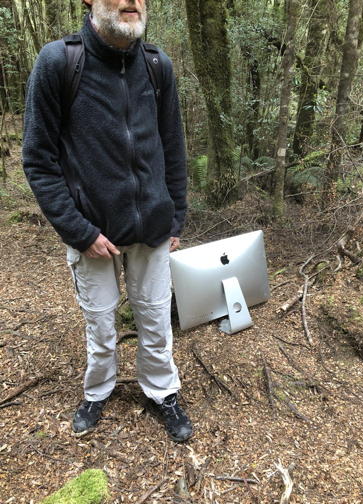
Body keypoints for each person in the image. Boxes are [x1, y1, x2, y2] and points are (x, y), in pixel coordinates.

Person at [22, 0, 193, 443]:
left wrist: (175, 217)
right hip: (90, 230)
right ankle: (98, 390)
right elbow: (38, 160)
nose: (130, 2)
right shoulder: (61, 61)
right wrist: (79, 231)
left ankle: (162, 392)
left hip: (152, 227)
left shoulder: (158, 66)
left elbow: (172, 148)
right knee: (100, 322)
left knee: (155, 320)